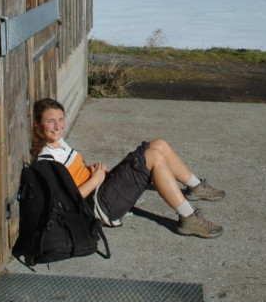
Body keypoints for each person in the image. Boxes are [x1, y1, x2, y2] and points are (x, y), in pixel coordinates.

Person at [30, 97, 224, 239]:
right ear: (38, 125)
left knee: (158, 144)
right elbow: (64, 203)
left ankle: (196, 186)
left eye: (61, 119)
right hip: (99, 207)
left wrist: (91, 169)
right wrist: (95, 180)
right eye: (50, 121)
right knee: (153, 157)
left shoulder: (59, 143)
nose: (58, 126)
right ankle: (188, 218)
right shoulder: (46, 160)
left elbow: (72, 174)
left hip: (102, 188)